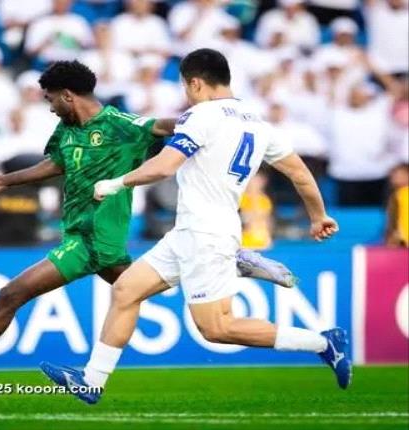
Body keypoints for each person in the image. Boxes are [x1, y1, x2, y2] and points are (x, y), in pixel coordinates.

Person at [0, 60, 297, 393]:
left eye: (50, 99)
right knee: (145, 290)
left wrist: (220, 118)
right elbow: (56, 163)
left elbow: (170, 125)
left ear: (67, 95)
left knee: (10, 294)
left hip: (90, 241)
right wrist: (8, 180)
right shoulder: (66, 129)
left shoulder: (122, 125)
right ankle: (232, 262)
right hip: (94, 242)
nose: (49, 107)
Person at [40, 49, 351, 405]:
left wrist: (116, 183)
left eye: (185, 87)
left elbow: (164, 166)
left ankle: (323, 342)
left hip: (206, 234)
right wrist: (318, 216)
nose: (186, 95)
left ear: (196, 83)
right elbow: (300, 174)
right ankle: (92, 380)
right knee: (126, 290)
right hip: (191, 231)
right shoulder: (258, 123)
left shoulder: (199, 116)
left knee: (216, 328)